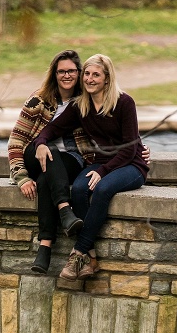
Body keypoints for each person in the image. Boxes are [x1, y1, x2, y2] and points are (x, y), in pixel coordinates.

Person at [34, 53, 148, 281]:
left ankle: (78, 253)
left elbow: (129, 148)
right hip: (101, 163)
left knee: (103, 189)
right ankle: (91, 258)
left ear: (107, 78)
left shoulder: (124, 102)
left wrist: (103, 171)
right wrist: (40, 143)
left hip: (132, 165)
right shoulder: (81, 105)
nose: (90, 79)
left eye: (96, 75)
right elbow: (52, 129)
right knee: (78, 189)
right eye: (87, 74)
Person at [7, 49, 94, 274]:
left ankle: (44, 248)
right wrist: (22, 177)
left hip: (71, 159)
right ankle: (65, 210)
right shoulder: (39, 100)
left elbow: (109, 133)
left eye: (72, 71)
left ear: (79, 73)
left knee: (47, 178)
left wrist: (138, 148)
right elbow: (16, 142)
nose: (66, 75)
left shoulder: (86, 102)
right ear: (54, 74)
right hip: (35, 156)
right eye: (61, 71)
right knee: (48, 151)